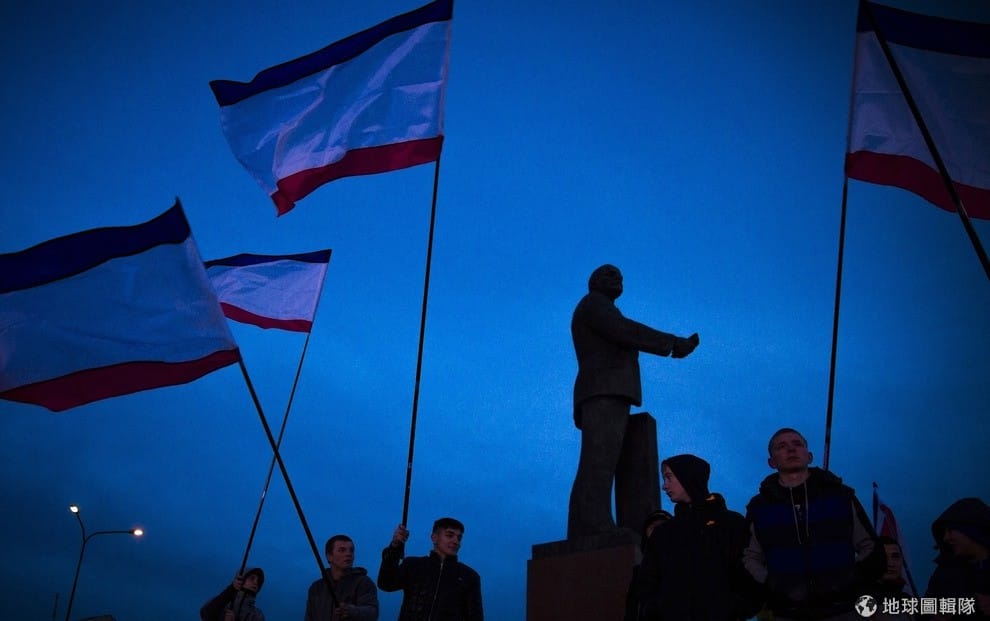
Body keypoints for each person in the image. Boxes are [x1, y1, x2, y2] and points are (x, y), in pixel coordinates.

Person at [569, 264, 699, 538]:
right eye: (609, 274)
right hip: (603, 390)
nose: (617, 278)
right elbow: (624, 330)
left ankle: (591, 524)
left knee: (603, 459)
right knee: (599, 461)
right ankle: (593, 525)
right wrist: (671, 343)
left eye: (620, 276)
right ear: (593, 281)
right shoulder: (593, 304)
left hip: (608, 391)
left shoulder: (602, 307)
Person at [743, 428, 885, 621]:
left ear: (809, 456)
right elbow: (750, 556)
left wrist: (851, 578)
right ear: (772, 462)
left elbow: (869, 544)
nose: (791, 449)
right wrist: (771, 583)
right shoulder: (760, 507)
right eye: (781, 446)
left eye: (797, 444)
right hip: (788, 613)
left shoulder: (840, 496)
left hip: (845, 610)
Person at [638, 454, 761, 620]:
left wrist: (734, 609)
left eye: (669, 477)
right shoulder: (664, 533)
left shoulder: (731, 524)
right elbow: (648, 581)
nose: (664, 486)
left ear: (687, 476)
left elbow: (749, 570)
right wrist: (656, 610)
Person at [377, 517, 483, 620]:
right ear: (434, 538)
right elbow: (386, 583)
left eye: (459, 538)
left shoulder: (469, 577)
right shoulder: (413, 566)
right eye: (449, 535)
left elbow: (475, 617)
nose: (456, 541)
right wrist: (394, 546)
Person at [925, 497, 990, 618]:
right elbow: (926, 608)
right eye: (944, 532)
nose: (946, 538)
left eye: (950, 530)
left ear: (970, 530)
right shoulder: (944, 573)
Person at [305, 534, 379, 621]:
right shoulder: (316, 588)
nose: (348, 554)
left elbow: (372, 613)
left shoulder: (363, 583)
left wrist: (351, 611)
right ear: (329, 556)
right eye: (342, 550)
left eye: (351, 550)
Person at [624, 509, 673, 621]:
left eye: (662, 527)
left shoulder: (682, 567)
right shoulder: (639, 573)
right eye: (653, 528)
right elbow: (632, 610)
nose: (658, 532)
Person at [200, 568, 266, 621]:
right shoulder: (223, 603)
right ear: (241, 579)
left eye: (258, 581)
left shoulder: (257, 615)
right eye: (252, 578)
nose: (256, 582)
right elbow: (206, 614)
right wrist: (232, 588)